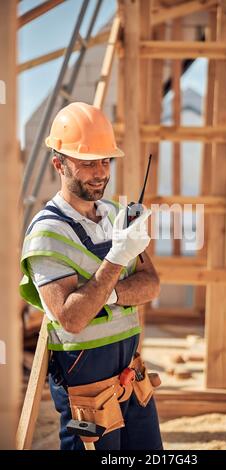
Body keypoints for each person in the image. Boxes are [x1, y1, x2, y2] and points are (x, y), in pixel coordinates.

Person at [20, 102, 163, 450]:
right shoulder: (47, 233)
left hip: (132, 378)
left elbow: (151, 284)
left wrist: (108, 295)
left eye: (105, 161)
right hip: (87, 392)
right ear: (59, 163)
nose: (100, 172)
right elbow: (73, 317)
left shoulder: (116, 213)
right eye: (87, 163)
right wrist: (117, 258)